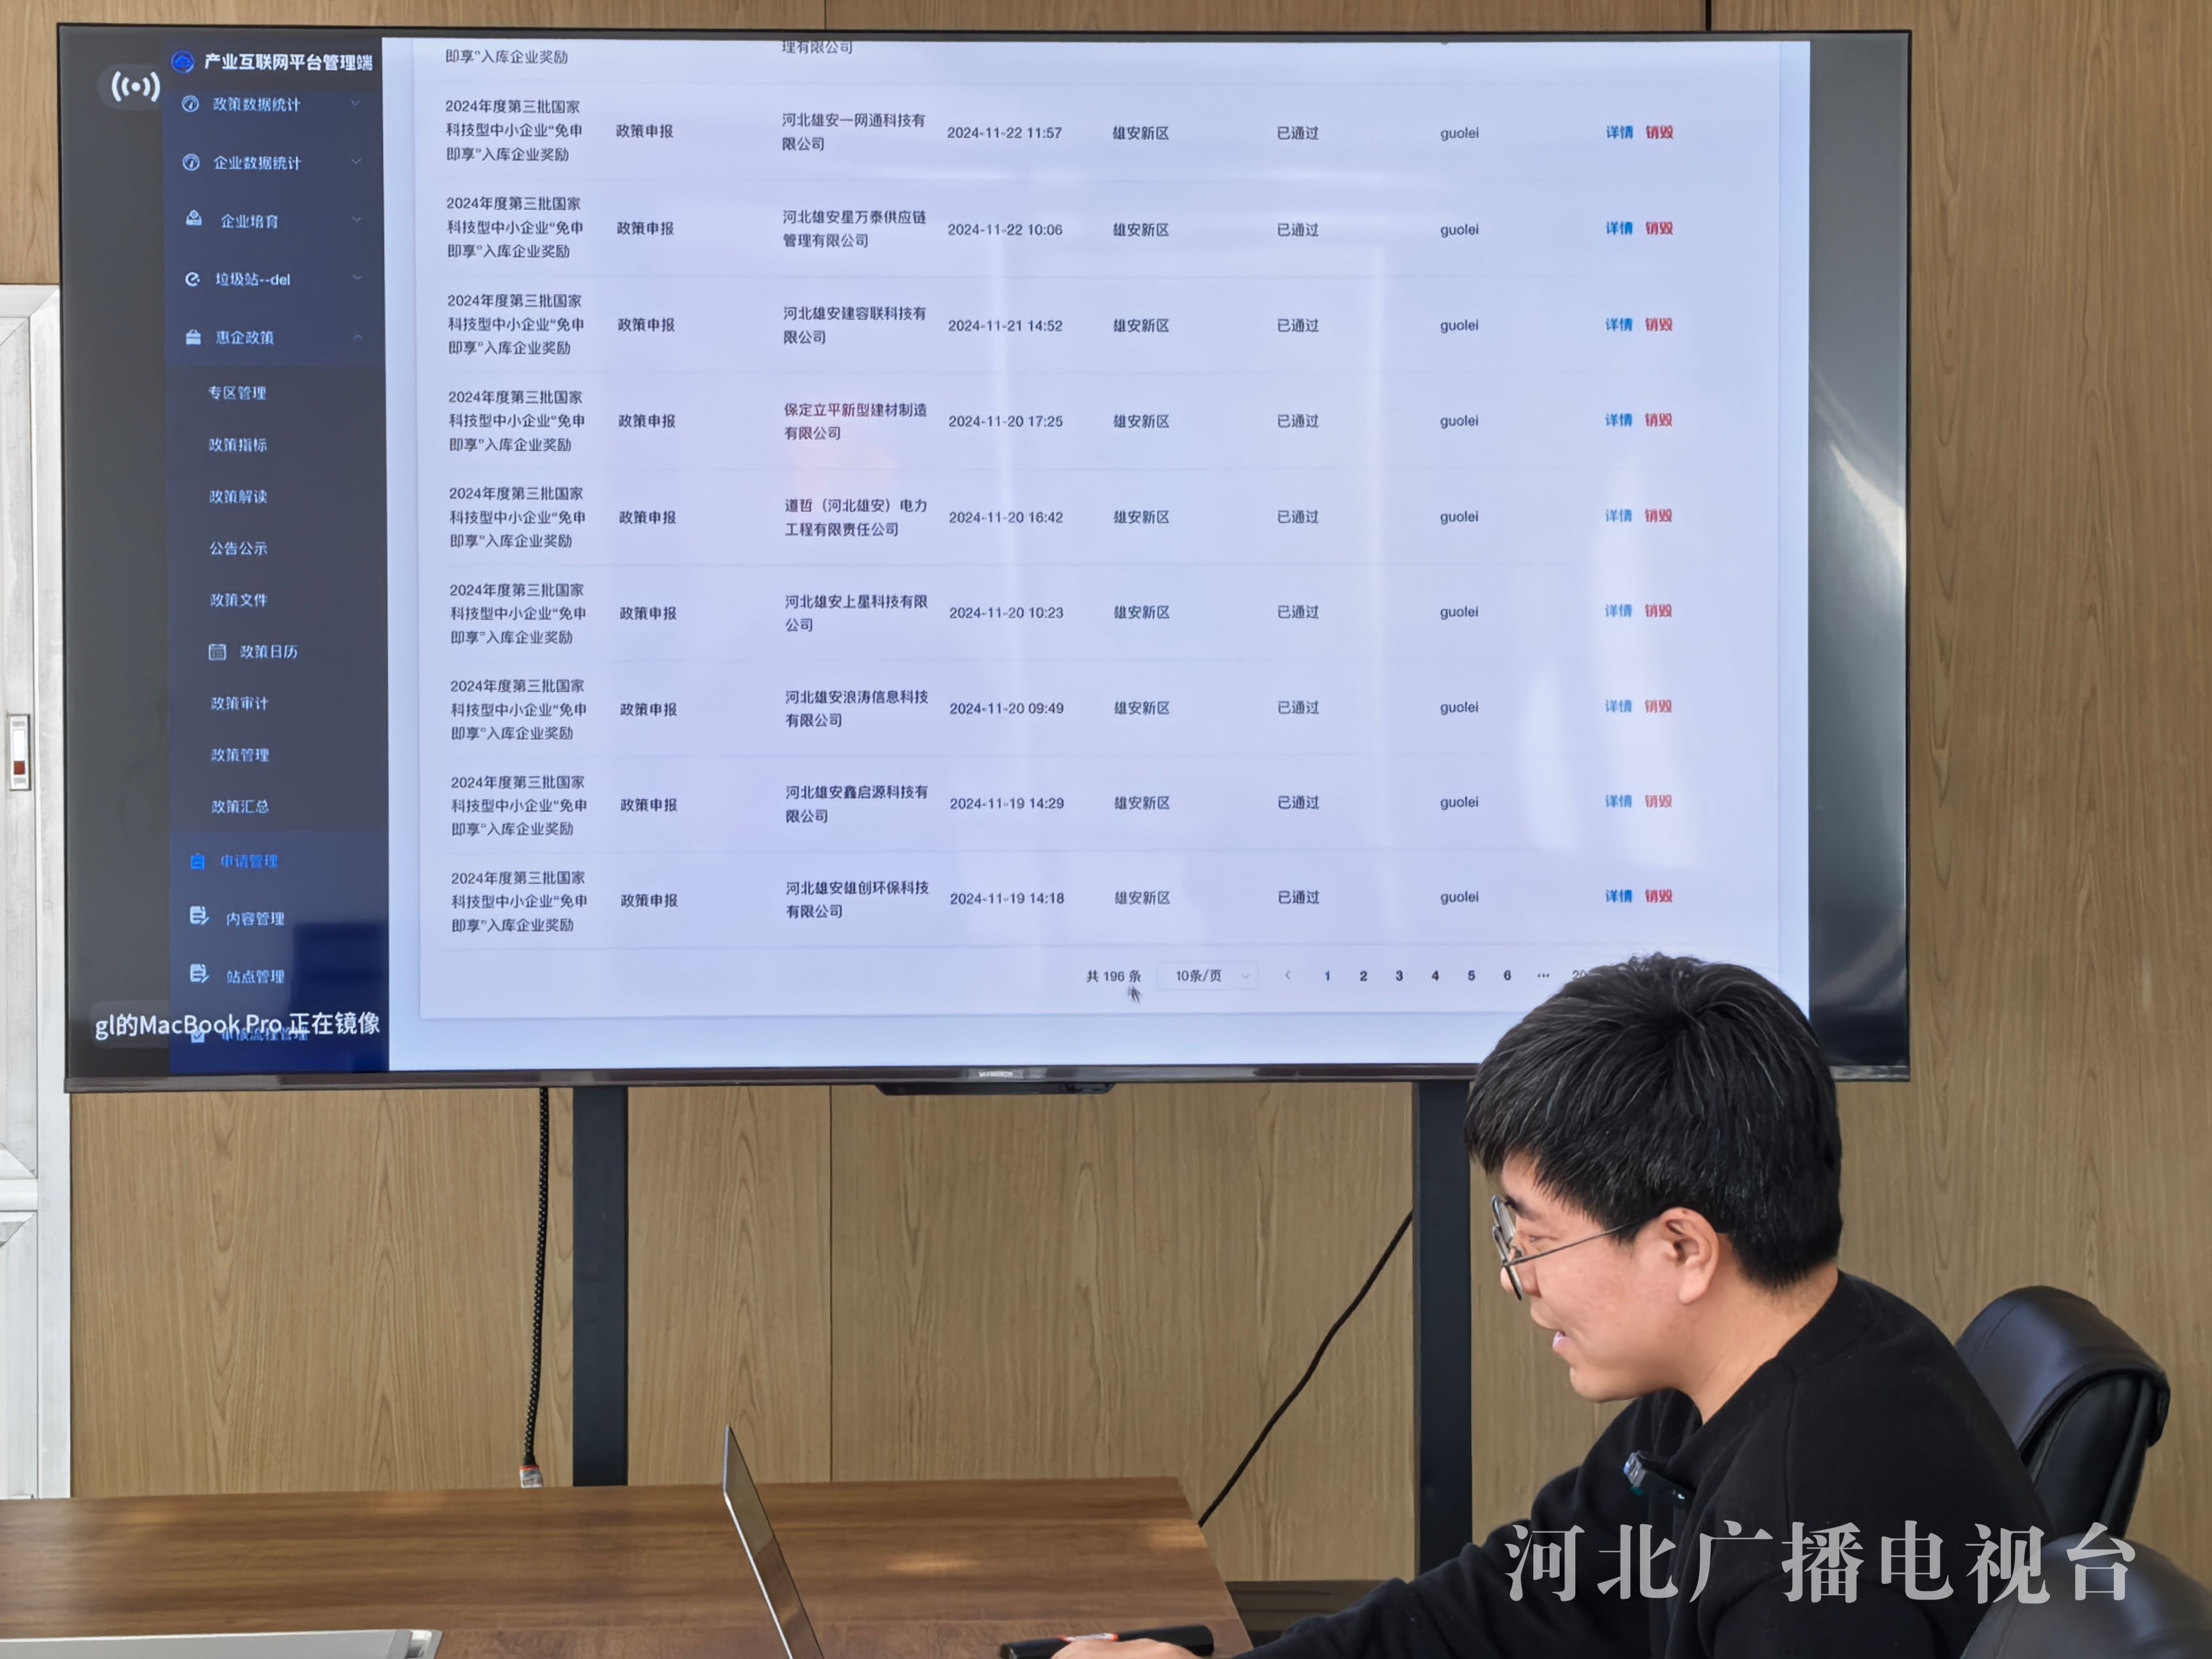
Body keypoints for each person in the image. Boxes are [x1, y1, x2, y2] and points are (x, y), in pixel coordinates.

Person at [1070, 955, 2048, 1659]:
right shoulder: (1765, 1362)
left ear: (1683, 1248)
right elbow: (1530, 1593)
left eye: (1537, 1239)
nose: (1515, 1278)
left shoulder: (1803, 1541)